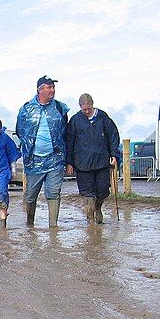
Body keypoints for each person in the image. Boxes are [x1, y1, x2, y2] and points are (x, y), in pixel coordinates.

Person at [16, 75, 70, 227]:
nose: (52, 90)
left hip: (55, 159)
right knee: (31, 195)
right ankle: (30, 222)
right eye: (49, 87)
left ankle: (53, 227)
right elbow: (20, 131)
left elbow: (66, 132)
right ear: (40, 90)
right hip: (34, 161)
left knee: (53, 193)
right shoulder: (26, 109)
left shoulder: (60, 107)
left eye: (53, 87)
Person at [64, 93, 120, 224]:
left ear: (92, 105)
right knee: (87, 193)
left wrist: (114, 154)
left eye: (89, 109)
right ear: (80, 107)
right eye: (84, 109)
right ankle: (90, 221)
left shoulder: (103, 118)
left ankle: (98, 207)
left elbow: (113, 136)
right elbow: (69, 142)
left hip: (101, 161)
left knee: (103, 190)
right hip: (82, 164)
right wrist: (69, 162)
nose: (87, 111)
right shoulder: (75, 120)